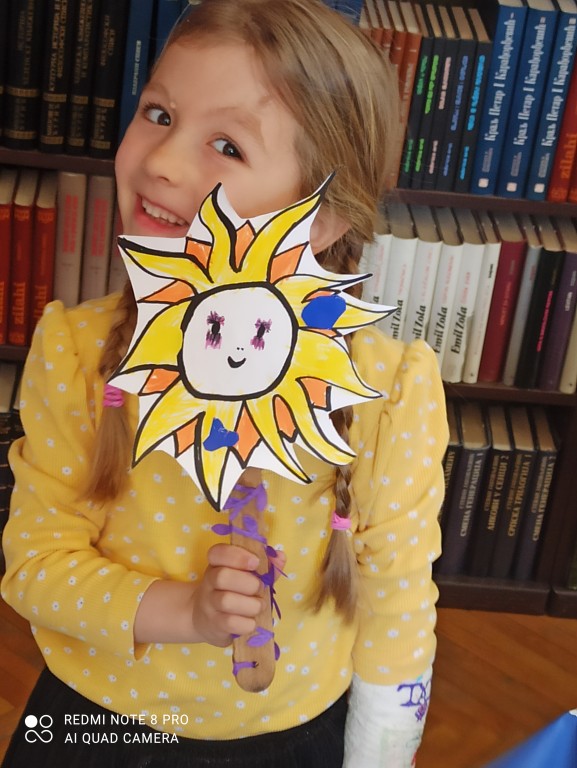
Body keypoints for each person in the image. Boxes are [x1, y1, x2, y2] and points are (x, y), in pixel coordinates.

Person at [1, 1, 448, 766]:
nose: (163, 162)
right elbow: (35, 569)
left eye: (226, 145)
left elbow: (398, 606)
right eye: (158, 113)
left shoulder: (386, 390)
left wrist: (381, 754)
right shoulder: (76, 354)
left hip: (292, 730)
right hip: (95, 720)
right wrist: (189, 613)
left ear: (321, 220)